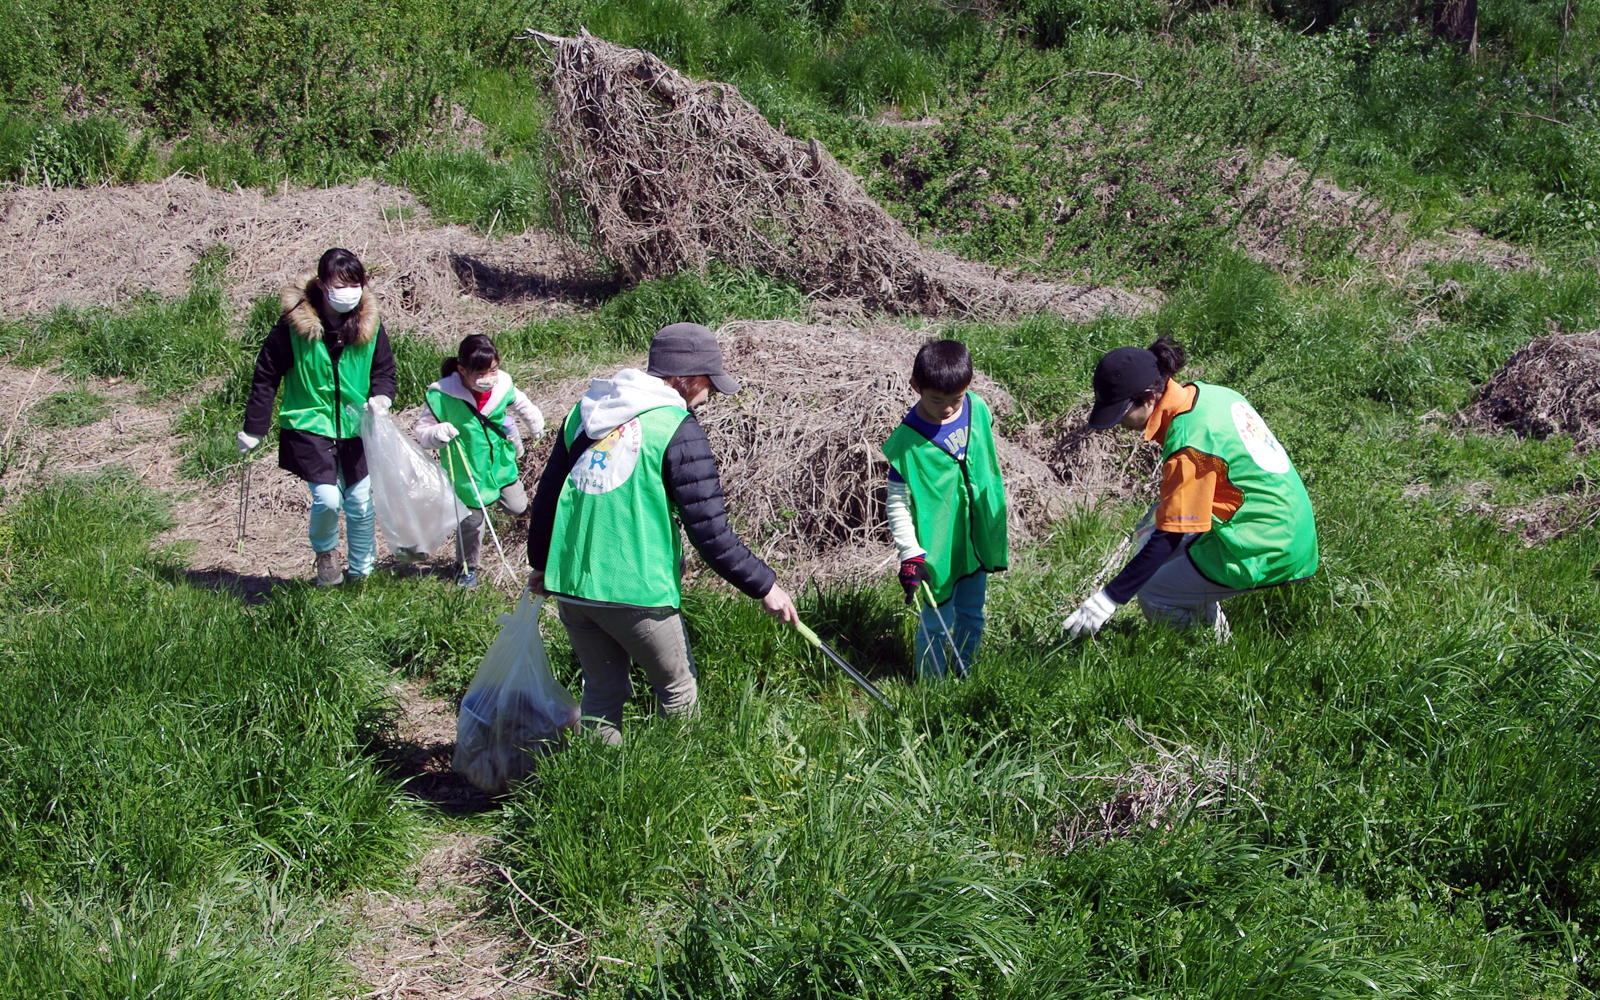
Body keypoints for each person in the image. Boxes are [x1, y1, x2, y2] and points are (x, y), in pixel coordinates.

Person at [526, 323, 798, 743]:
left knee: (601, 691)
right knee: (677, 691)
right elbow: (710, 532)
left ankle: (597, 791)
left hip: (574, 586)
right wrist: (766, 586)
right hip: (637, 590)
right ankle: (680, 792)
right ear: (685, 379)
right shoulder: (677, 428)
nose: (710, 394)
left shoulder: (586, 415)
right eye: (709, 382)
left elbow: (546, 500)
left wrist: (543, 565)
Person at [1062, 336, 1318, 638]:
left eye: (1122, 413)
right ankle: (1217, 638)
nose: (1120, 424)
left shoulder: (1189, 445)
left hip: (1267, 544)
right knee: (1158, 545)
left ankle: (1205, 661)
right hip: (1289, 523)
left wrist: (1107, 599)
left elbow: (1172, 532)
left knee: (1156, 594)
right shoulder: (1211, 394)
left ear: (1148, 398)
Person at [239, 248, 397, 586]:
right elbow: (266, 374)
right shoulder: (293, 327)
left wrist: (381, 397)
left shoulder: (370, 325)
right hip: (309, 425)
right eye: (341, 284)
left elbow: (384, 369)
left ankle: (362, 573)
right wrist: (255, 427)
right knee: (327, 499)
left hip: (357, 425)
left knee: (358, 502)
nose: (349, 292)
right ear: (323, 285)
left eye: (356, 284)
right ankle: (326, 554)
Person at [882, 339, 1009, 679]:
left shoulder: (977, 408)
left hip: (977, 536)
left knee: (972, 613)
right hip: (938, 549)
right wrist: (910, 554)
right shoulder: (906, 444)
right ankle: (931, 690)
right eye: (937, 400)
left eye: (956, 398)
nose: (949, 408)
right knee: (937, 622)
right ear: (915, 388)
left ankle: (967, 672)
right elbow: (897, 503)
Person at [411, 335, 546, 587]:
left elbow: (522, 403)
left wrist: (535, 423)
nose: (489, 377)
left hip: (499, 465)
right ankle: (466, 567)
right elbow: (422, 432)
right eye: (480, 373)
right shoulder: (441, 395)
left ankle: (490, 503)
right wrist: (437, 434)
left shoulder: (503, 385)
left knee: (517, 506)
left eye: (493, 369)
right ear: (461, 370)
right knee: (472, 522)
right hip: (466, 471)